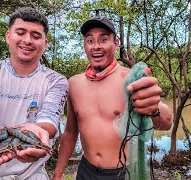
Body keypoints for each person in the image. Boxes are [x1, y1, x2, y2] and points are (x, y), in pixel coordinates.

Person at [52, 16, 173, 180]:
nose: (96, 46)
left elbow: (166, 123)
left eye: (103, 39)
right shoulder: (73, 83)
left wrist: (154, 109)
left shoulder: (131, 79)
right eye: (90, 40)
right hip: (86, 171)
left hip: (124, 173)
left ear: (115, 43)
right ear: (85, 45)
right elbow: (71, 132)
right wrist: (58, 173)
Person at [0, 7, 68, 180]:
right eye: (20, 32)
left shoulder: (56, 81)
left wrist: (37, 131)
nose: (27, 40)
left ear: (45, 43)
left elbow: (49, 120)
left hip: (32, 173)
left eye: (36, 36)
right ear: (8, 36)